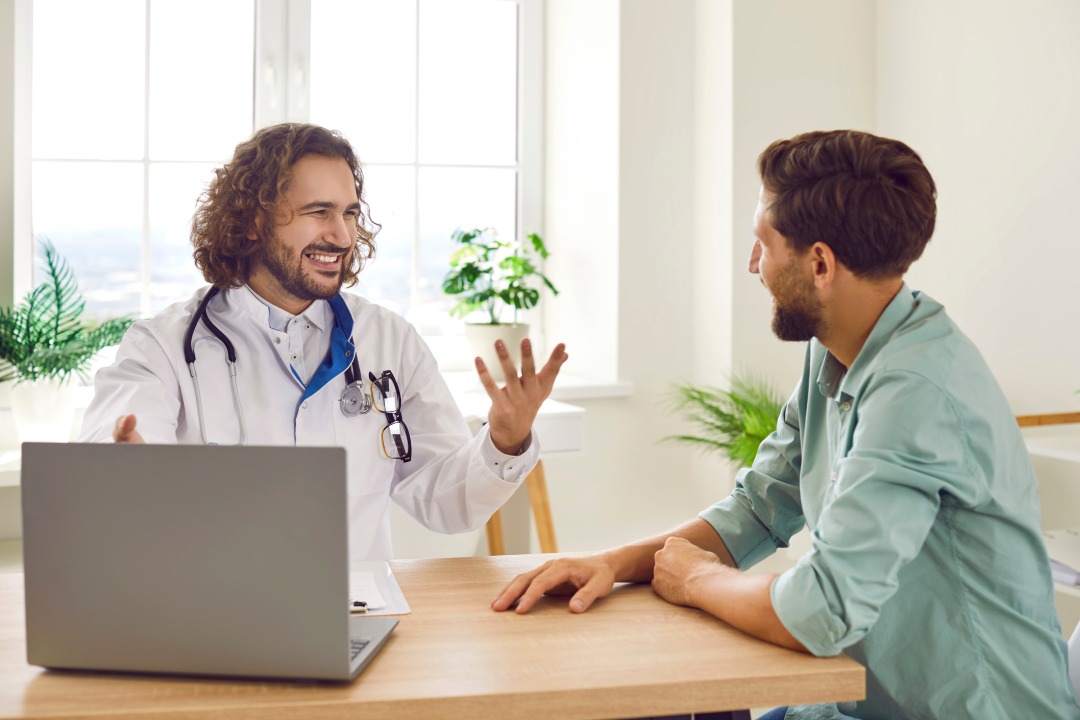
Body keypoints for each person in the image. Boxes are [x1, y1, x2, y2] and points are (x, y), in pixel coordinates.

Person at [492, 130, 1079, 718]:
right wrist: (614, 563)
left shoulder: (917, 392)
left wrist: (695, 581)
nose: (754, 264)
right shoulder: (838, 348)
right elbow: (759, 509)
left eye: (762, 243)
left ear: (820, 264)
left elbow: (822, 610)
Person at [79, 122, 568, 563]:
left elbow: (446, 503)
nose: (341, 235)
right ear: (253, 221)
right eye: (319, 212)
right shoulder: (163, 347)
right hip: (218, 620)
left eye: (350, 214)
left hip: (357, 617)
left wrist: (505, 438)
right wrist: (127, 474)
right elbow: (115, 462)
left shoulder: (388, 339)